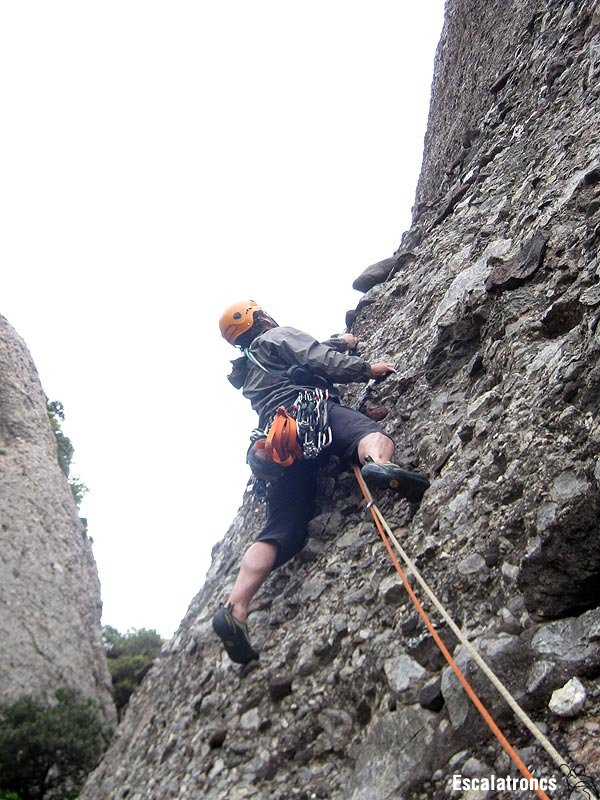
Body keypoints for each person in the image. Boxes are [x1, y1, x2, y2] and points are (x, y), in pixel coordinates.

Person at [212, 300, 429, 664]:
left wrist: (341, 341)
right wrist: (366, 369)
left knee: (283, 527)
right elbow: (314, 357)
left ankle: (235, 607)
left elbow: (309, 355)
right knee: (365, 433)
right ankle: (379, 464)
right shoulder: (276, 336)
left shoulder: (249, 368)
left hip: (279, 438)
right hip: (313, 411)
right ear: (261, 318)